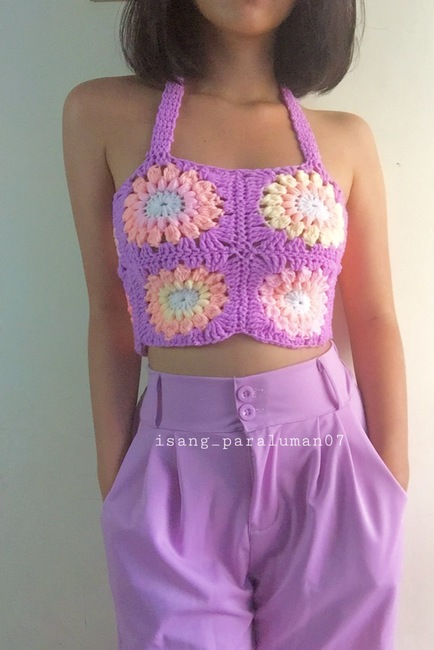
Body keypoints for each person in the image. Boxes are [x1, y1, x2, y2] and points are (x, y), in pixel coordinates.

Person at [62, 1, 409, 648]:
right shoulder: (100, 112)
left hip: (329, 465)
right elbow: (110, 309)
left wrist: (389, 479)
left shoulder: (346, 138)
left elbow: (373, 315)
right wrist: (116, 478)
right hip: (174, 466)